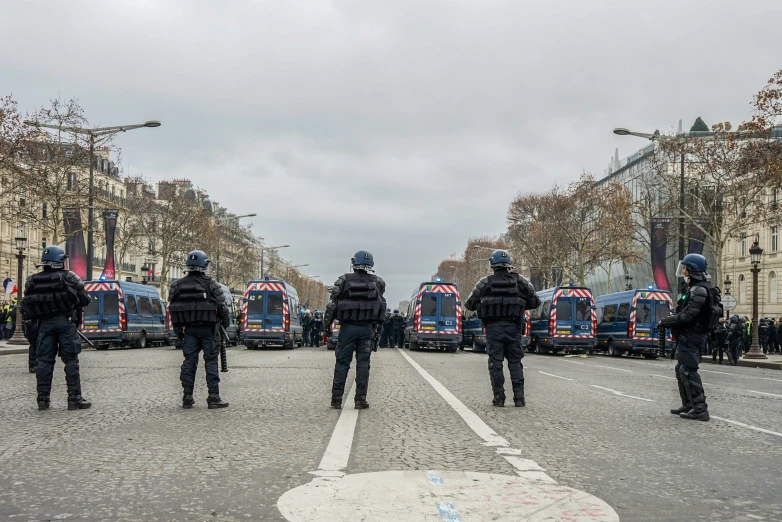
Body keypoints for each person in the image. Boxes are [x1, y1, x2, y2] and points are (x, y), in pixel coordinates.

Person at [464, 249, 540, 407]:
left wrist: (484, 303)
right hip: (514, 329)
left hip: (493, 329)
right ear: (509, 265)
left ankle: (499, 397)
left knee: (495, 363)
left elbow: (469, 304)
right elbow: (535, 302)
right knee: (515, 362)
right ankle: (519, 397)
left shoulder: (485, 282)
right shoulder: (521, 281)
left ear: (492, 264)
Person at [22, 246, 92, 411]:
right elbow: (84, 299)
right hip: (66, 324)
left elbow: (28, 300)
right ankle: (74, 399)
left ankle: (43, 399)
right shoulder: (70, 277)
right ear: (60, 261)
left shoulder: (32, 280)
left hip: (44, 325)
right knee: (71, 361)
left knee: (44, 362)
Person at [658, 253, 718, 421]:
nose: (682, 270)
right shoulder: (695, 287)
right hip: (689, 335)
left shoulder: (699, 289)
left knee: (688, 370)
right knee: (681, 369)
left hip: (693, 335)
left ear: (692, 269)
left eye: (685, 267)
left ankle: (700, 408)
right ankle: (689, 404)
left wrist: (667, 321)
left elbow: (688, 315)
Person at [169, 250, 230, 410]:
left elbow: (173, 310)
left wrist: (178, 332)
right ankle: (213, 397)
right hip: (209, 330)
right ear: (205, 265)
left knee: (189, 362)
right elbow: (223, 308)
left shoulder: (177, 285)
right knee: (210, 362)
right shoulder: (212, 284)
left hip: (189, 330)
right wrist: (225, 324)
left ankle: (187, 397)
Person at [325, 250, 386, 410]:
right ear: (370, 265)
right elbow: (381, 305)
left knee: (342, 363)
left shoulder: (343, 280)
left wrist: (327, 328)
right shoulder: (378, 282)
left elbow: (332, 306)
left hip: (347, 329)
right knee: (363, 364)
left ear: (353, 263)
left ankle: (336, 400)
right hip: (367, 329)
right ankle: (360, 400)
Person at [21, 301, 40, 373]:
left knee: (33, 345)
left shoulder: (25, 301)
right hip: (37, 323)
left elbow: (21, 310)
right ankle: (36, 364)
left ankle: (32, 365)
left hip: (30, 325)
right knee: (38, 345)